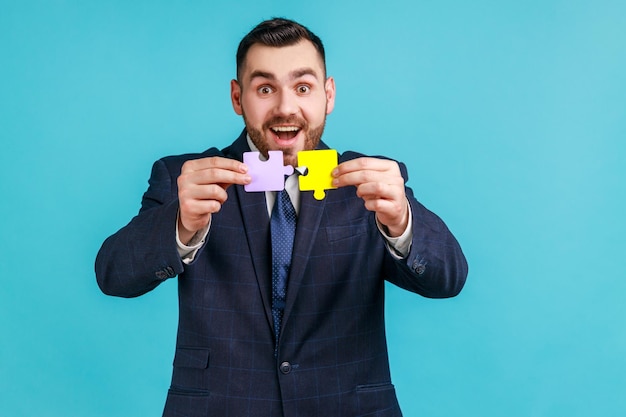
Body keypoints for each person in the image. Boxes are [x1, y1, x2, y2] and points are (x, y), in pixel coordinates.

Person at [95, 17, 468, 417]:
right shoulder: (186, 178)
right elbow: (113, 275)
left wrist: (402, 221)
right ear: (238, 98)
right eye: (265, 88)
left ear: (329, 95)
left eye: (303, 87)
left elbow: (448, 279)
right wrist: (179, 224)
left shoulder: (373, 182)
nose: (286, 107)